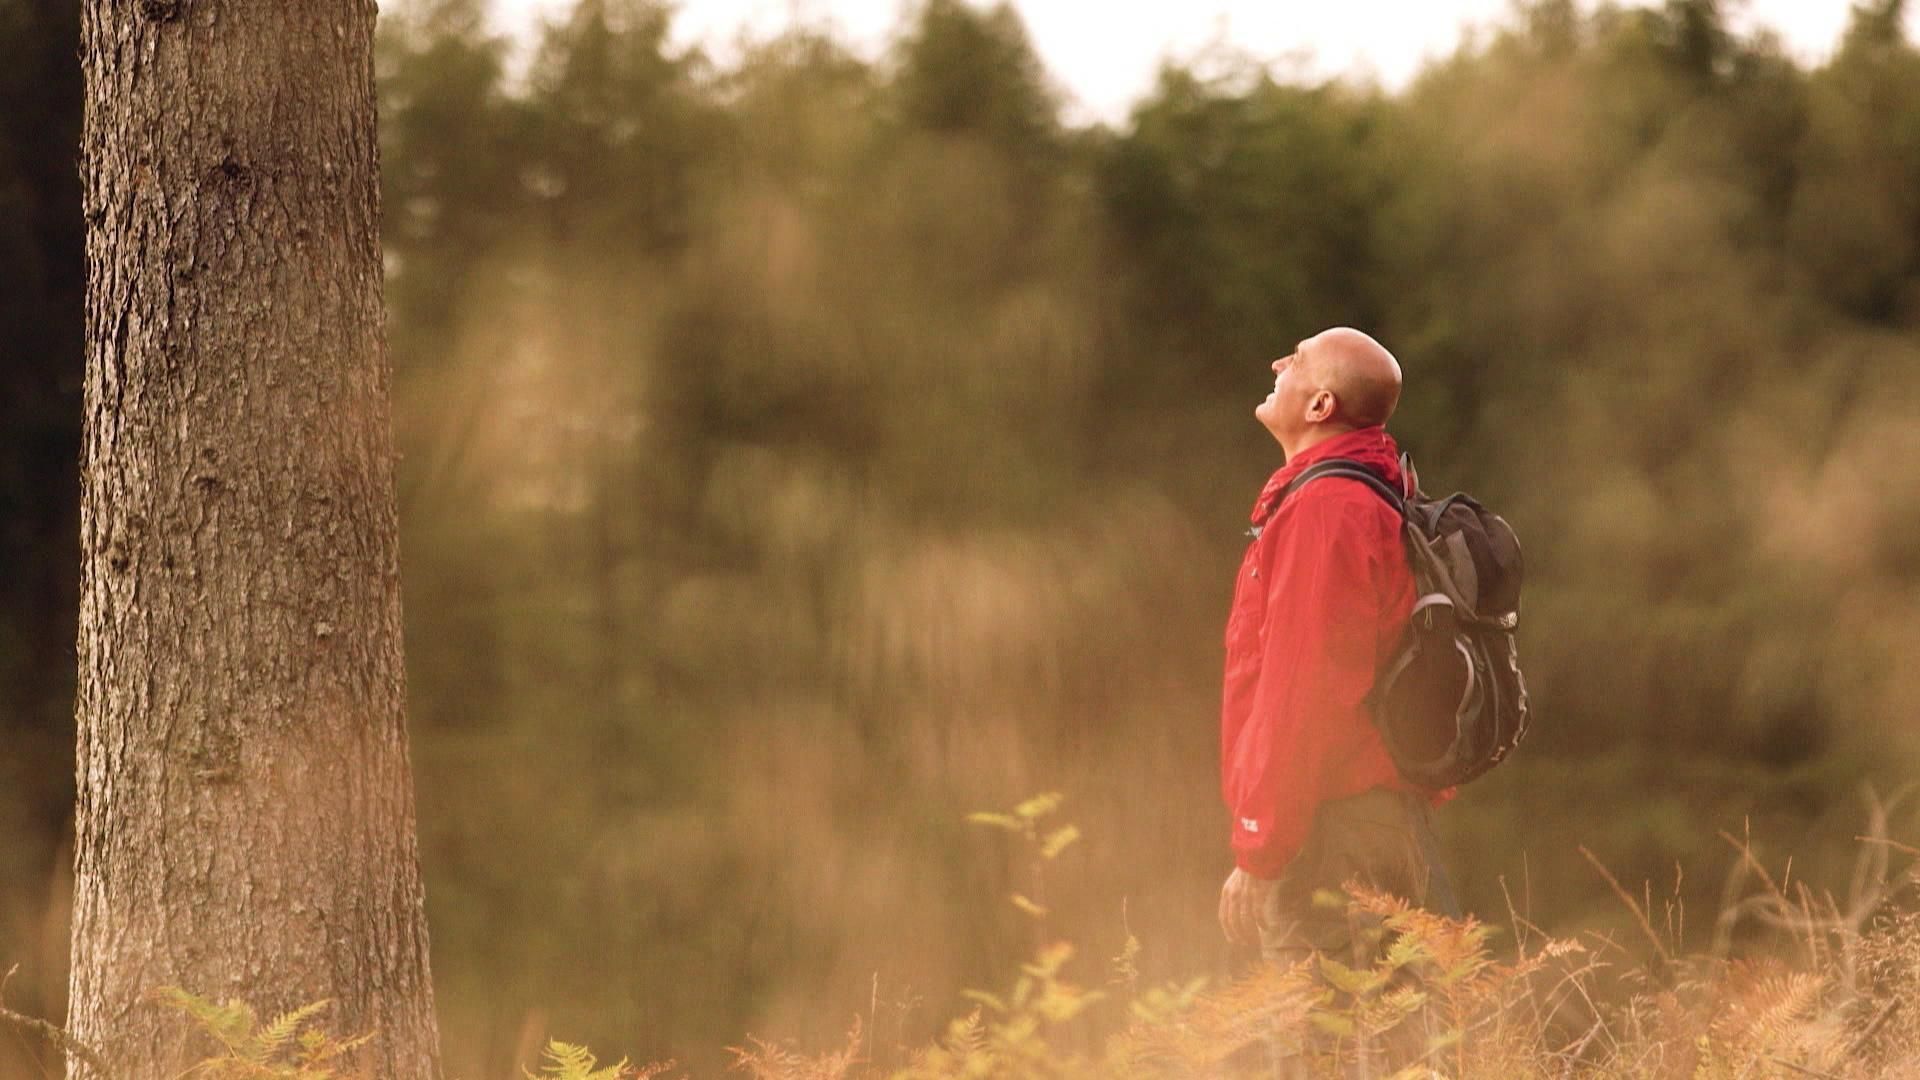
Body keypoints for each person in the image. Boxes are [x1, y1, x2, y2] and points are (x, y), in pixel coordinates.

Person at [1215, 327, 1450, 1070]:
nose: (1278, 362)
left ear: (1320, 403)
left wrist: (1261, 844)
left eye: (1297, 358)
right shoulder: (1364, 496)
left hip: (1335, 830)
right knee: (1385, 1044)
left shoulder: (1328, 511)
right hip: (1374, 820)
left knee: (1326, 1051)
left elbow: (1303, 694)